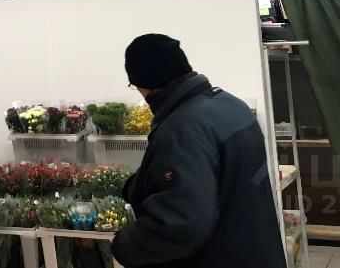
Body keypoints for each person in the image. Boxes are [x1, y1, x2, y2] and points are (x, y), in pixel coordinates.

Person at [111, 33, 284, 268]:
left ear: (144, 83)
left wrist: (126, 245)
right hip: (255, 252)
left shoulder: (182, 128)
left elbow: (183, 223)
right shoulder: (232, 105)